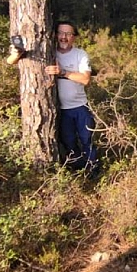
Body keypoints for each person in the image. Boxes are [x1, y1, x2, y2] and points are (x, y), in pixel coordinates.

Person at [43, 21, 98, 174]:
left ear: (74, 37)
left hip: (80, 107)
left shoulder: (80, 55)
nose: (64, 37)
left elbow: (86, 79)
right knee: (68, 142)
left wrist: (63, 73)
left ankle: (93, 171)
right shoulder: (49, 52)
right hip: (60, 110)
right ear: (55, 35)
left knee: (87, 140)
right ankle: (79, 170)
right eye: (61, 33)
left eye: (68, 34)